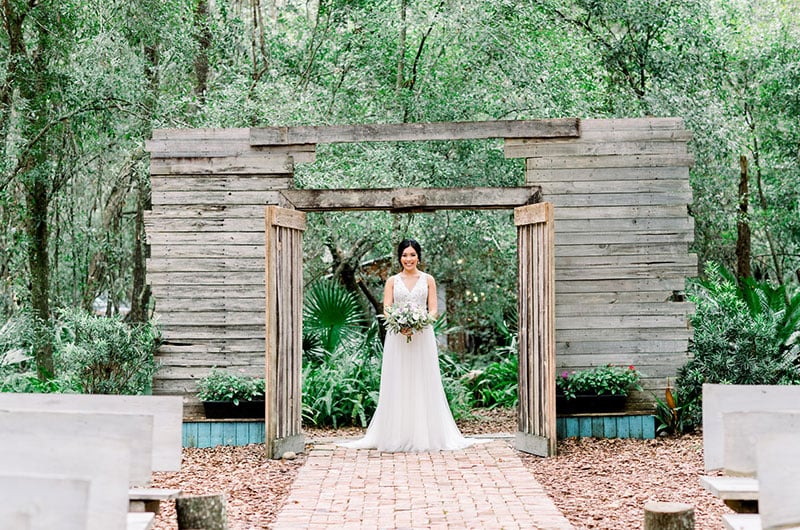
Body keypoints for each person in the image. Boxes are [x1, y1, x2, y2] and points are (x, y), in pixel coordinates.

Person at [341, 239, 484, 452]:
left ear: (419, 257)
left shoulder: (428, 280)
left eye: (412, 255)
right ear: (400, 257)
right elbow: (387, 308)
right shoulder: (392, 281)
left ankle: (424, 435)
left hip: (422, 336)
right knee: (398, 379)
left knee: (421, 379)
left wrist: (420, 322)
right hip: (397, 336)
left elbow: (434, 309)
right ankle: (395, 434)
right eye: (405, 255)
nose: (408, 259)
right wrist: (399, 322)